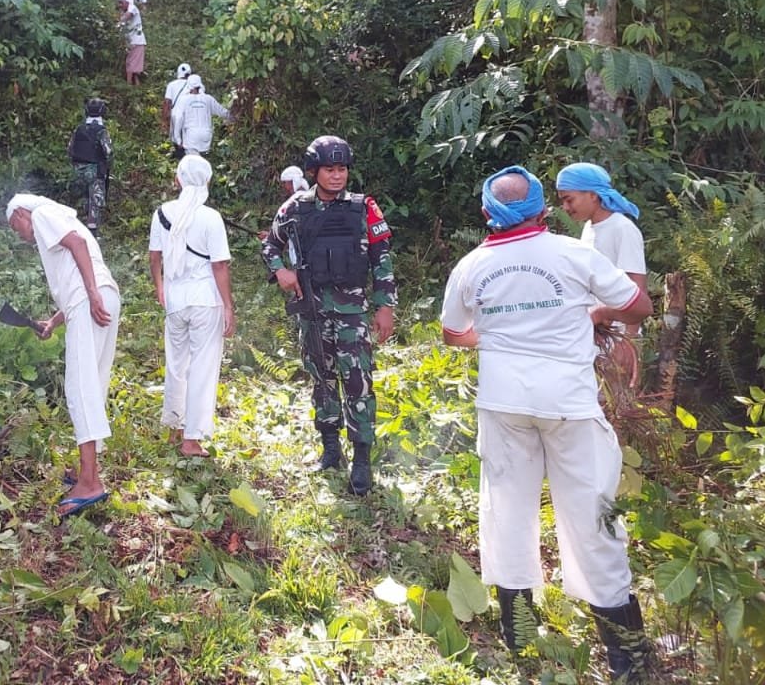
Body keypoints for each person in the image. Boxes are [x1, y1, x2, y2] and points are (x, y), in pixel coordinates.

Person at [440, 165, 654, 680]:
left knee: (508, 509)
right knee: (592, 516)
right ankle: (627, 653)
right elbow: (639, 306)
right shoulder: (574, 253)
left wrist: (494, 338)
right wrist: (589, 315)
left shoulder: (471, 265)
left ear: (488, 214)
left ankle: (518, 633)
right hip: (570, 406)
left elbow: (452, 334)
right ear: (540, 209)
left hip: (504, 403)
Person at [260, 135, 396, 494]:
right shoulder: (295, 208)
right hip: (314, 311)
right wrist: (280, 271)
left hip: (352, 311)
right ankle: (331, 448)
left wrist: (385, 306)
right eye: (329, 169)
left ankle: (362, 458)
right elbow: (270, 243)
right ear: (314, 171)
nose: (337, 176)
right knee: (322, 380)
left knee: (358, 382)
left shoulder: (363, 207)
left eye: (342, 169)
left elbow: (382, 258)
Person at [6, 194, 120, 519]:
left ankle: (89, 482)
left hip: (92, 298)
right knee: (93, 384)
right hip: (103, 296)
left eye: (16, 227)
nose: (20, 234)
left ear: (22, 213)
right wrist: (54, 322)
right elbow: (76, 264)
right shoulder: (62, 216)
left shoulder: (43, 214)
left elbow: (77, 246)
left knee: (79, 389)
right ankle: (88, 467)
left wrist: (91, 294)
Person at [148, 155, 235, 457]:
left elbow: (155, 257)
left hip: (176, 299)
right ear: (208, 181)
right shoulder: (211, 217)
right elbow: (220, 265)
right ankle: (192, 438)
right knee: (202, 366)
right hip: (205, 300)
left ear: (179, 180)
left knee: (177, 363)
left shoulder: (162, 212)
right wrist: (228, 306)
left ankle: (174, 427)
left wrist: (160, 287)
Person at [556, 163, 649, 408]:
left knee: (618, 411)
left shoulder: (623, 229)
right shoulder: (589, 229)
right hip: (597, 338)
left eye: (569, 199)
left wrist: (627, 343)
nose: (565, 207)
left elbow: (636, 289)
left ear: (593, 195)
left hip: (617, 337)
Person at [67, 98, 112, 237]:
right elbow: (109, 152)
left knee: (83, 199)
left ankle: (76, 229)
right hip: (95, 169)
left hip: (78, 168)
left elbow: (70, 149)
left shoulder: (79, 129)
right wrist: (108, 167)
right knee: (95, 202)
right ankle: (92, 233)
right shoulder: (101, 130)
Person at [170, 75, 231, 156]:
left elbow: (178, 118)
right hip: (206, 134)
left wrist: (178, 139)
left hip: (191, 135)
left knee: (193, 161)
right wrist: (237, 116)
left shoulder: (183, 100)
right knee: (202, 159)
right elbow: (223, 112)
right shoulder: (208, 99)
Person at [117, 0, 146, 86]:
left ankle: (128, 85)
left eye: (121, 2)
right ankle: (135, 86)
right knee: (132, 64)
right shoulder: (125, 11)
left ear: (127, 1)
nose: (120, 5)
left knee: (131, 64)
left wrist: (118, 23)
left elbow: (126, 17)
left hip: (137, 41)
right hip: (132, 42)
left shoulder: (132, 8)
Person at [162, 63, 193, 149]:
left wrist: (164, 121)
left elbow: (167, 103)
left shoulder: (171, 85)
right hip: (190, 117)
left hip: (175, 117)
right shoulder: (193, 86)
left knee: (177, 142)